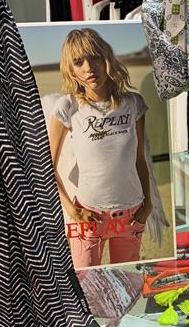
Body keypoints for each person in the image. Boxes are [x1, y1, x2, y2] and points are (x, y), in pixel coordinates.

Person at [49, 27, 152, 268]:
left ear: (106, 58)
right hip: (88, 216)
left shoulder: (133, 103)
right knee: (85, 284)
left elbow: (139, 160)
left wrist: (148, 204)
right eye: (78, 62)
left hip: (131, 214)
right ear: (71, 69)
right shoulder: (68, 106)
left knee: (127, 282)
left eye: (95, 57)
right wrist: (73, 212)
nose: (89, 68)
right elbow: (48, 167)